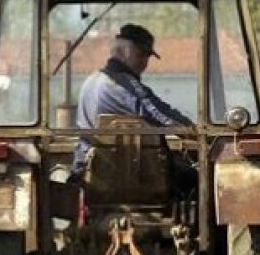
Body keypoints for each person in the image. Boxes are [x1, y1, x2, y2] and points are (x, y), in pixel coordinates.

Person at [72, 23, 195, 181]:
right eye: (142, 55)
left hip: (86, 166)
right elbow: (159, 114)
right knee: (191, 178)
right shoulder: (122, 84)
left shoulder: (92, 79)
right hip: (115, 169)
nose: (144, 63)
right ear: (126, 51)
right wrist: (193, 131)